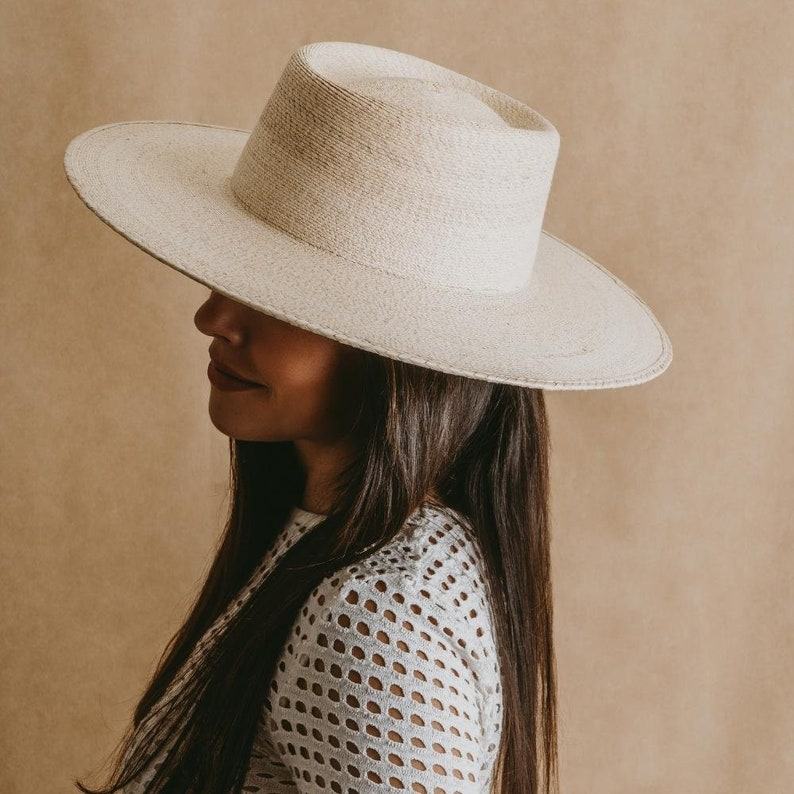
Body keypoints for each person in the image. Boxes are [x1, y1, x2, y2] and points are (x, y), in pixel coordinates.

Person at [65, 41, 672, 794]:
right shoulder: (339, 542)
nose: (211, 317)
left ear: (398, 353)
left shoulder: (377, 619)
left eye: (275, 294)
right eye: (230, 274)